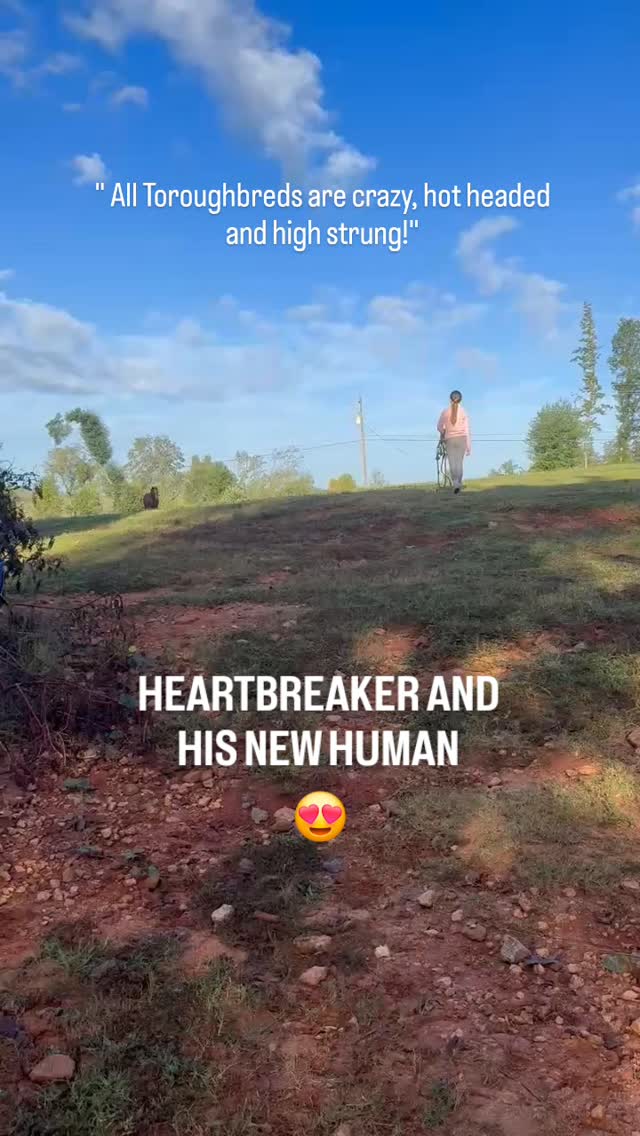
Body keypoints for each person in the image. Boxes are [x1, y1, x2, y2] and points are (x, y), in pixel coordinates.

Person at [437, 390, 471, 494]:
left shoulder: (445, 411)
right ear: (461, 399)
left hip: (450, 439)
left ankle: (455, 483)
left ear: (450, 399)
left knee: (452, 463)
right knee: (459, 463)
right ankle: (459, 483)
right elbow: (467, 430)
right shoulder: (464, 412)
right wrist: (469, 446)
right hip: (462, 439)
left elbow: (439, 427)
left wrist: (444, 432)